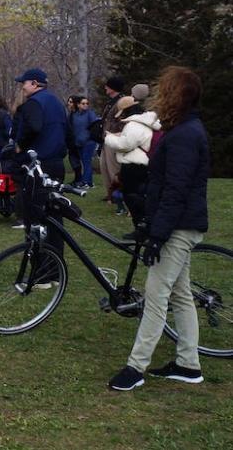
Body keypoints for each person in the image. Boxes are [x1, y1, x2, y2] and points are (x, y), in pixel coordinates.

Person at [109, 66, 208, 391]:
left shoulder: (184, 135)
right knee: (180, 294)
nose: (158, 95)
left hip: (179, 227)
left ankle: (136, 368)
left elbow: (175, 192)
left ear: (176, 95)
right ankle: (188, 364)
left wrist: (157, 235)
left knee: (156, 295)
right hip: (178, 224)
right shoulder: (182, 130)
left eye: (164, 90)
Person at [13, 67, 72, 262]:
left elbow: (33, 126)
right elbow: (67, 132)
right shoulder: (56, 102)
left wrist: (20, 144)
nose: (22, 87)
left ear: (35, 84)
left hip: (39, 167)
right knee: (54, 216)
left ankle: (42, 272)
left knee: (36, 219)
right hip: (56, 164)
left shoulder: (34, 103)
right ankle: (56, 268)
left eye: (25, 83)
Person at [101, 96, 160, 227]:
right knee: (139, 196)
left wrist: (109, 138)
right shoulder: (146, 122)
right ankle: (142, 224)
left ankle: (141, 226)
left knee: (133, 198)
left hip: (134, 167)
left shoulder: (134, 125)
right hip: (142, 166)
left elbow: (125, 144)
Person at [99, 75, 128, 204]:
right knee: (104, 166)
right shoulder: (110, 102)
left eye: (108, 86)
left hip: (114, 137)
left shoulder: (121, 102)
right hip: (106, 138)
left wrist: (116, 133)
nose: (105, 87)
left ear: (113, 88)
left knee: (113, 168)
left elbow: (123, 120)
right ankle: (110, 194)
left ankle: (119, 195)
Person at [68, 95, 98, 188]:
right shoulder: (74, 115)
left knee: (86, 162)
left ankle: (86, 182)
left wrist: (89, 137)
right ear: (78, 104)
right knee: (83, 162)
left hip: (88, 142)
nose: (85, 105)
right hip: (78, 142)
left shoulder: (90, 114)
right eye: (83, 103)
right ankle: (89, 182)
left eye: (87, 103)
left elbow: (95, 126)